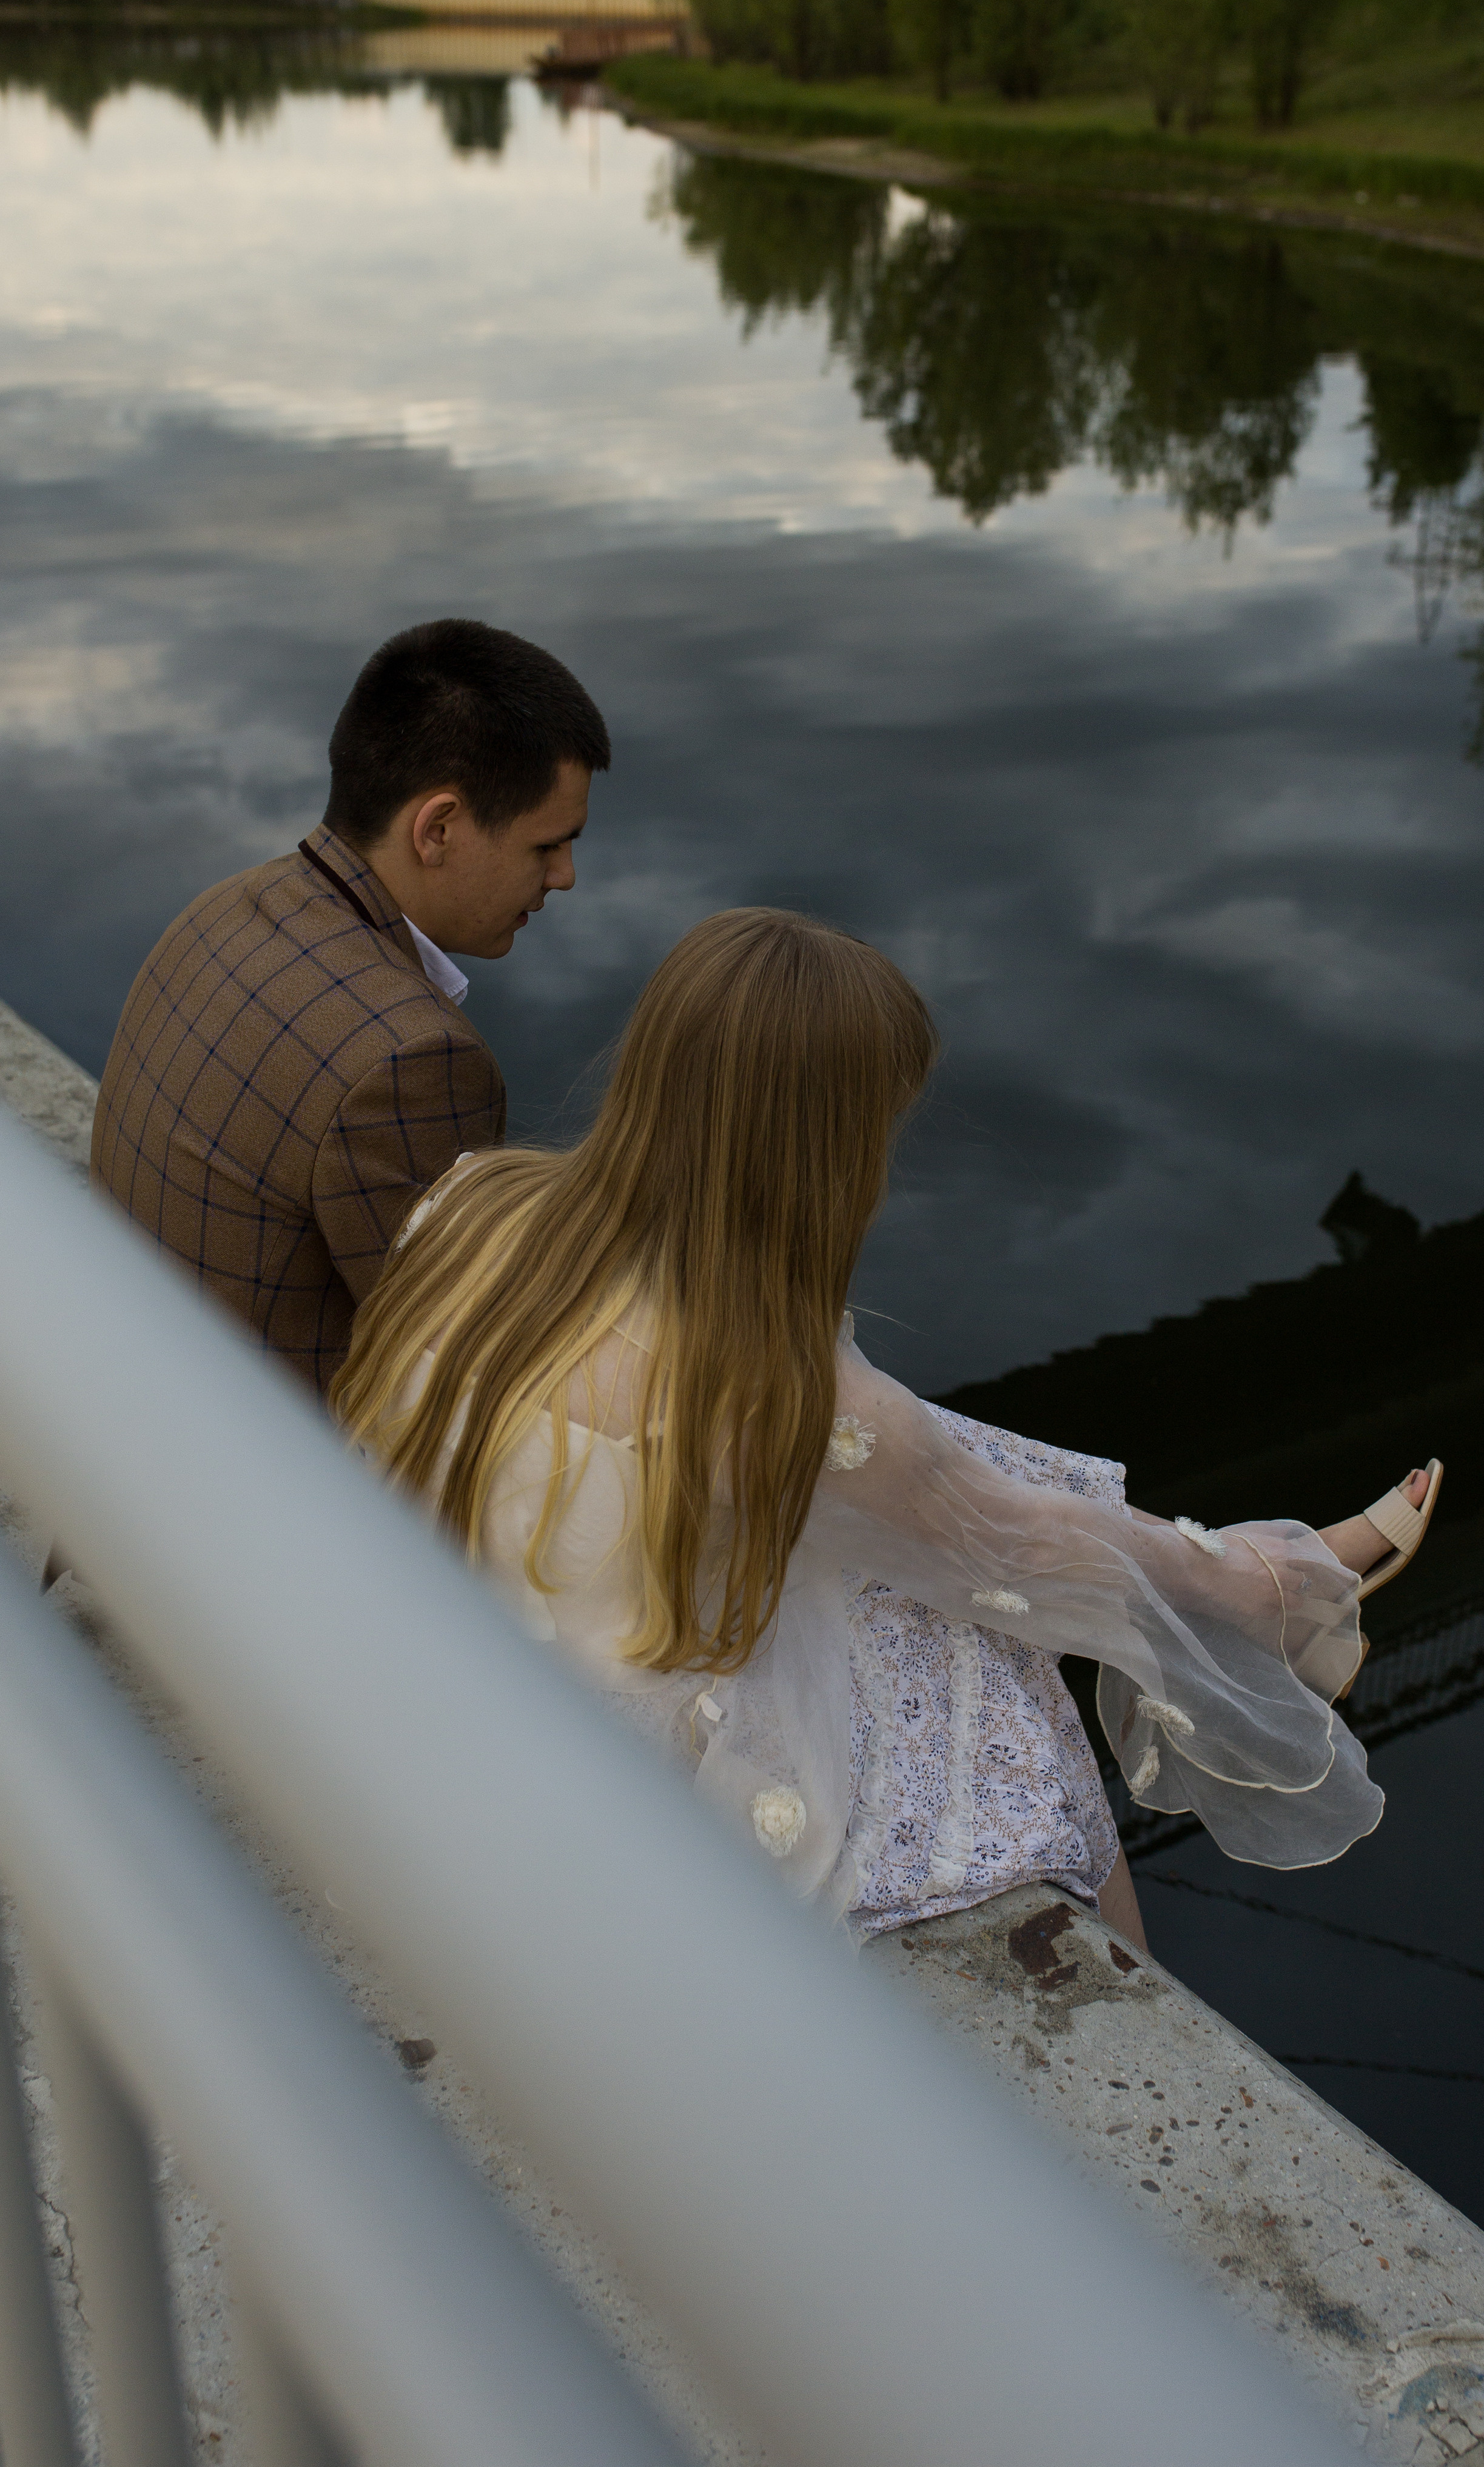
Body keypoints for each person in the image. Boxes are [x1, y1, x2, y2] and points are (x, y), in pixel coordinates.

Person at [335, 908, 1439, 1944]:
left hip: (473, 1667)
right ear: (823, 1149)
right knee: (998, 1636)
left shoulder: (473, 1203)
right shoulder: (777, 1391)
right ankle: (1262, 1598)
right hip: (638, 1774)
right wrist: (1248, 1583)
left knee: (937, 1473)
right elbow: (1012, 1553)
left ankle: (1243, 1572)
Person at [90, 619, 608, 1394]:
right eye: (547, 846)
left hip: (133, 1393)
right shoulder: (410, 1060)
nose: (565, 876)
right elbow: (467, 1365)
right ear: (437, 829)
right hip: (273, 1477)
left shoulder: (222, 908)